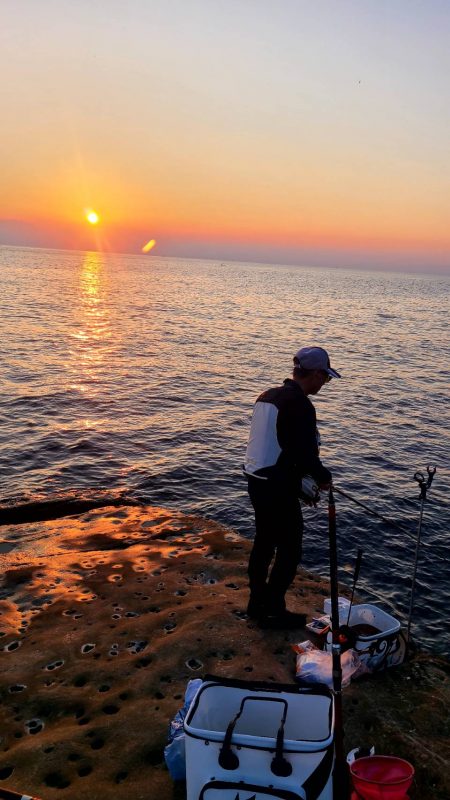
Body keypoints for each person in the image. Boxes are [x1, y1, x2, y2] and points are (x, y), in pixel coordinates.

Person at [243, 346, 341, 629]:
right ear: (315, 374)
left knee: (263, 544)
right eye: (326, 378)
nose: (325, 384)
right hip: (277, 487)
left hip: (256, 481)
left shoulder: (267, 396)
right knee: (290, 549)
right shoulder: (300, 404)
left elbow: (275, 443)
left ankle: (256, 604)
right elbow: (303, 452)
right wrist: (323, 477)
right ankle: (274, 609)